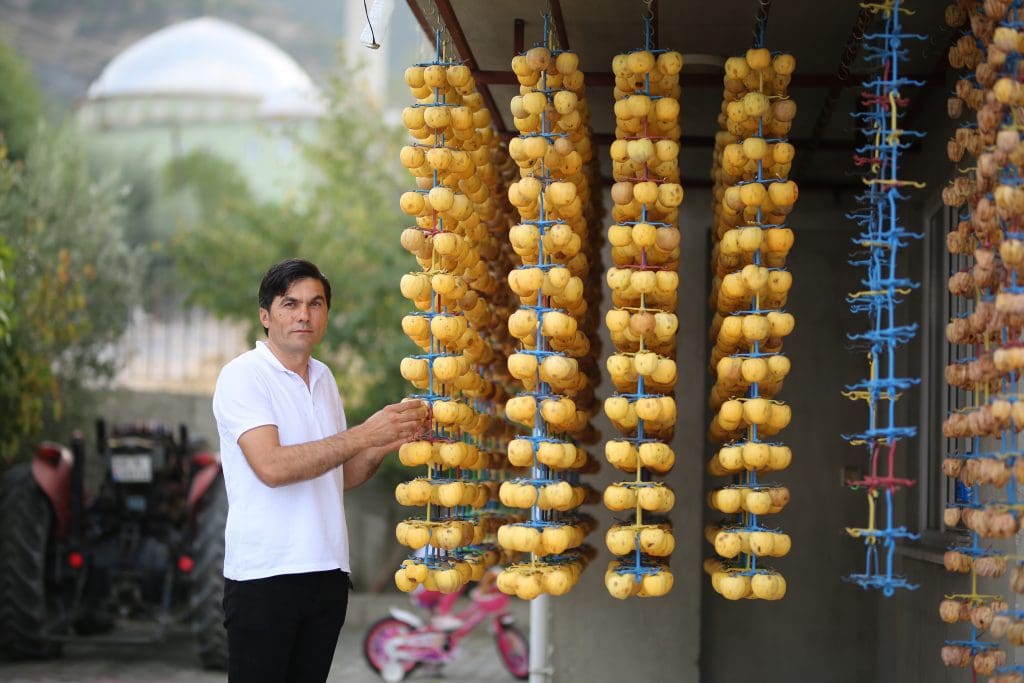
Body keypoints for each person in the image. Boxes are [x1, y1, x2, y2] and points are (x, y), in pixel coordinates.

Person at [212, 258, 426, 682]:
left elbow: (339, 476)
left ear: (326, 313)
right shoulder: (242, 377)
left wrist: (387, 439)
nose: (304, 315)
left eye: (315, 304)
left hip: (326, 576)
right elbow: (271, 467)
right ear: (265, 315)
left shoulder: (324, 378)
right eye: (290, 304)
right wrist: (364, 435)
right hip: (266, 578)